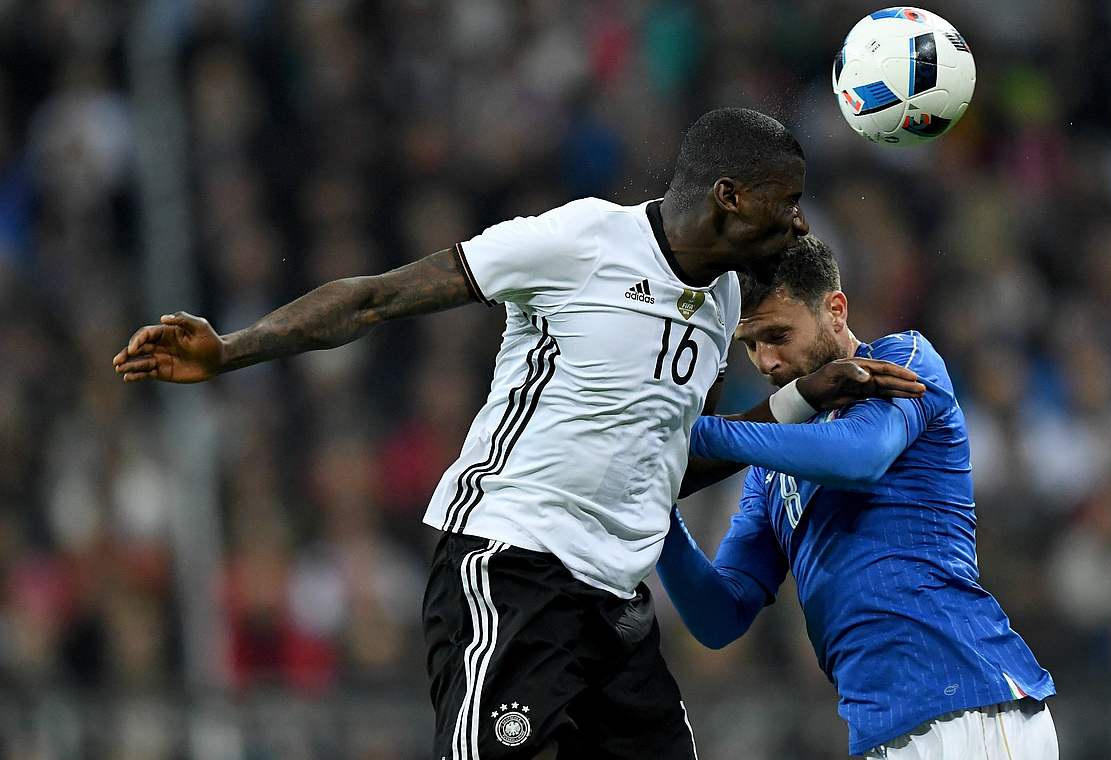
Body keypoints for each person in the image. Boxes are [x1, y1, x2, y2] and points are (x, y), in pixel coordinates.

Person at [112, 108, 924, 760]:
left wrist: (801, 398)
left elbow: (665, 461)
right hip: (511, 567)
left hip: (615, 604)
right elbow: (377, 299)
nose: (798, 222)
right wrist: (233, 350)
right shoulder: (578, 242)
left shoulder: (718, 310)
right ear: (730, 196)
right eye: (786, 202)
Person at [658, 235, 1059, 759]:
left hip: (966, 703)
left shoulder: (903, 360)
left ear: (835, 310)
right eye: (750, 345)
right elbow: (719, 617)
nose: (766, 362)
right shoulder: (770, 469)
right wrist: (657, 503)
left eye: (778, 334)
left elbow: (860, 457)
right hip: (880, 727)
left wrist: (692, 434)